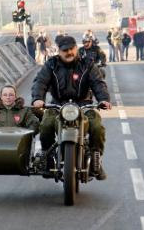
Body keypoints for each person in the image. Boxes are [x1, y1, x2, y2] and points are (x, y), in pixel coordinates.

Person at [31, 36, 112, 180]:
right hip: (57, 104)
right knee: (46, 125)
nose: (69, 52)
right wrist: (38, 98)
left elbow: (98, 83)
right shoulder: (51, 64)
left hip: (83, 104)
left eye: (71, 49)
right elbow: (40, 82)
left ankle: (95, 159)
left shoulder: (87, 64)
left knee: (97, 126)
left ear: (76, 48)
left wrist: (104, 99)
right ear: (59, 51)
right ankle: (48, 159)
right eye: (65, 50)